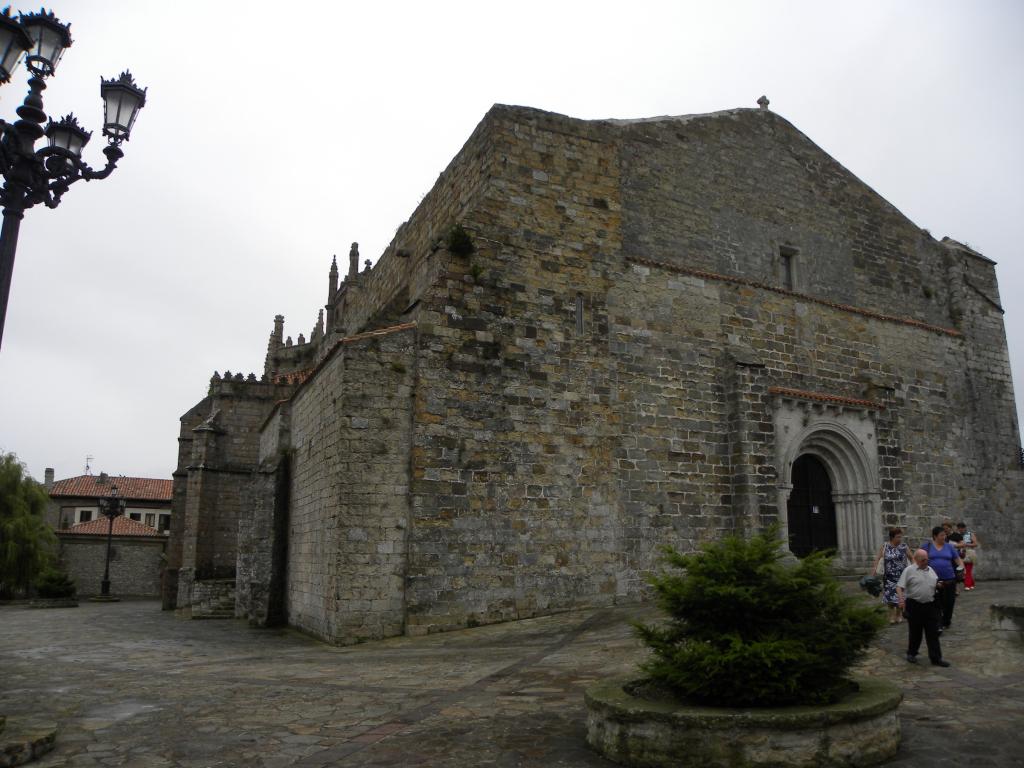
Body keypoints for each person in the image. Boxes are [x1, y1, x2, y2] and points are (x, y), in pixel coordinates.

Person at [896, 548, 949, 667]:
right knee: (915, 632)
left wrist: (940, 585)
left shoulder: (931, 570)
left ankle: (936, 658)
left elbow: (935, 583)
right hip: (914, 605)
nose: (926, 561)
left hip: (930, 605)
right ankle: (912, 653)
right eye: (923, 559)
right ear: (916, 559)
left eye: (927, 559)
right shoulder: (909, 570)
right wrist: (901, 600)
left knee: (933, 633)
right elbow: (899, 587)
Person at [923, 525, 965, 631]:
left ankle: (946, 620)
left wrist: (961, 568)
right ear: (935, 536)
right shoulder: (927, 546)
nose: (944, 537)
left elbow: (958, 560)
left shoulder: (949, 547)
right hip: (933, 580)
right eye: (942, 535)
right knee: (937, 603)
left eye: (945, 535)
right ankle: (939, 623)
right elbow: (918, 558)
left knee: (949, 602)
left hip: (950, 579)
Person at [869, 527, 911, 624]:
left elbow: (912, 558)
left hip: (901, 576)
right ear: (892, 537)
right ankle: (891, 614)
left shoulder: (904, 546)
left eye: (901, 537)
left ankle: (899, 614)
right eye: (898, 537)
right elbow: (878, 558)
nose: (900, 539)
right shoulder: (885, 546)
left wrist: (914, 570)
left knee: (900, 596)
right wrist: (874, 570)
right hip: (889, 576)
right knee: (889, 597)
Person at [956, 521, 981, 590]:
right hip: (960, 553)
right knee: (963, 570)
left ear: (965, 528)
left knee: (968, 570)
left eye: (962, 528)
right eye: (959, 528)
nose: (960, 530)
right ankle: (971, 583)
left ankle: (967, 585)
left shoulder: (970, 534)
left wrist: (966, 544)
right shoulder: (957, 535)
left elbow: (975, 544)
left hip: (969, 553)